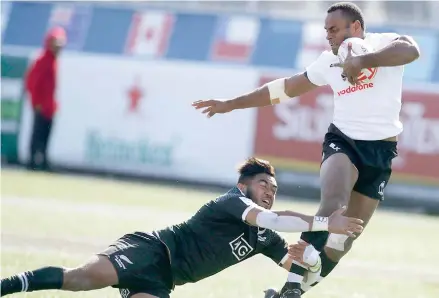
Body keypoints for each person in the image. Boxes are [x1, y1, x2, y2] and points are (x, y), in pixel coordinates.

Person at [192, 2, 420, 297]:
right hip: (344, 142)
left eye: (335, 29)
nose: (329, 36)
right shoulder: (329, 60)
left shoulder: (384, 44)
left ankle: (299, 291)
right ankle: (290, 286)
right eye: (326, 31)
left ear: (356, 27)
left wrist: (363, 61)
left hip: (381, 152)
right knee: (332, 205)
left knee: (343, 240)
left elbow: (412, 50)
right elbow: (284, 88)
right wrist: (231, 104)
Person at [0, 157, 363, 298]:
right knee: (81, 279)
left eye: (275, 189)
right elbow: (270, 217)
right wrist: (324, 222)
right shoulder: (231, 202)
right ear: (244, 187)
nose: (270, 192)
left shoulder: (264, 239)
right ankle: (6, 286)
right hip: (150, 250)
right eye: (264, 186)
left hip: (163, 280)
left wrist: (311, 260)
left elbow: (299, 272)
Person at [25, 26, 66, 171]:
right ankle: (32, 161)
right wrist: (36, 102)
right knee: (37, 133)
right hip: (41, 105)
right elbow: (32, 83)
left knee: (46, 134)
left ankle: (43, 160)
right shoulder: (42, 60)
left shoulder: (54, 61)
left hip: (49, 105)